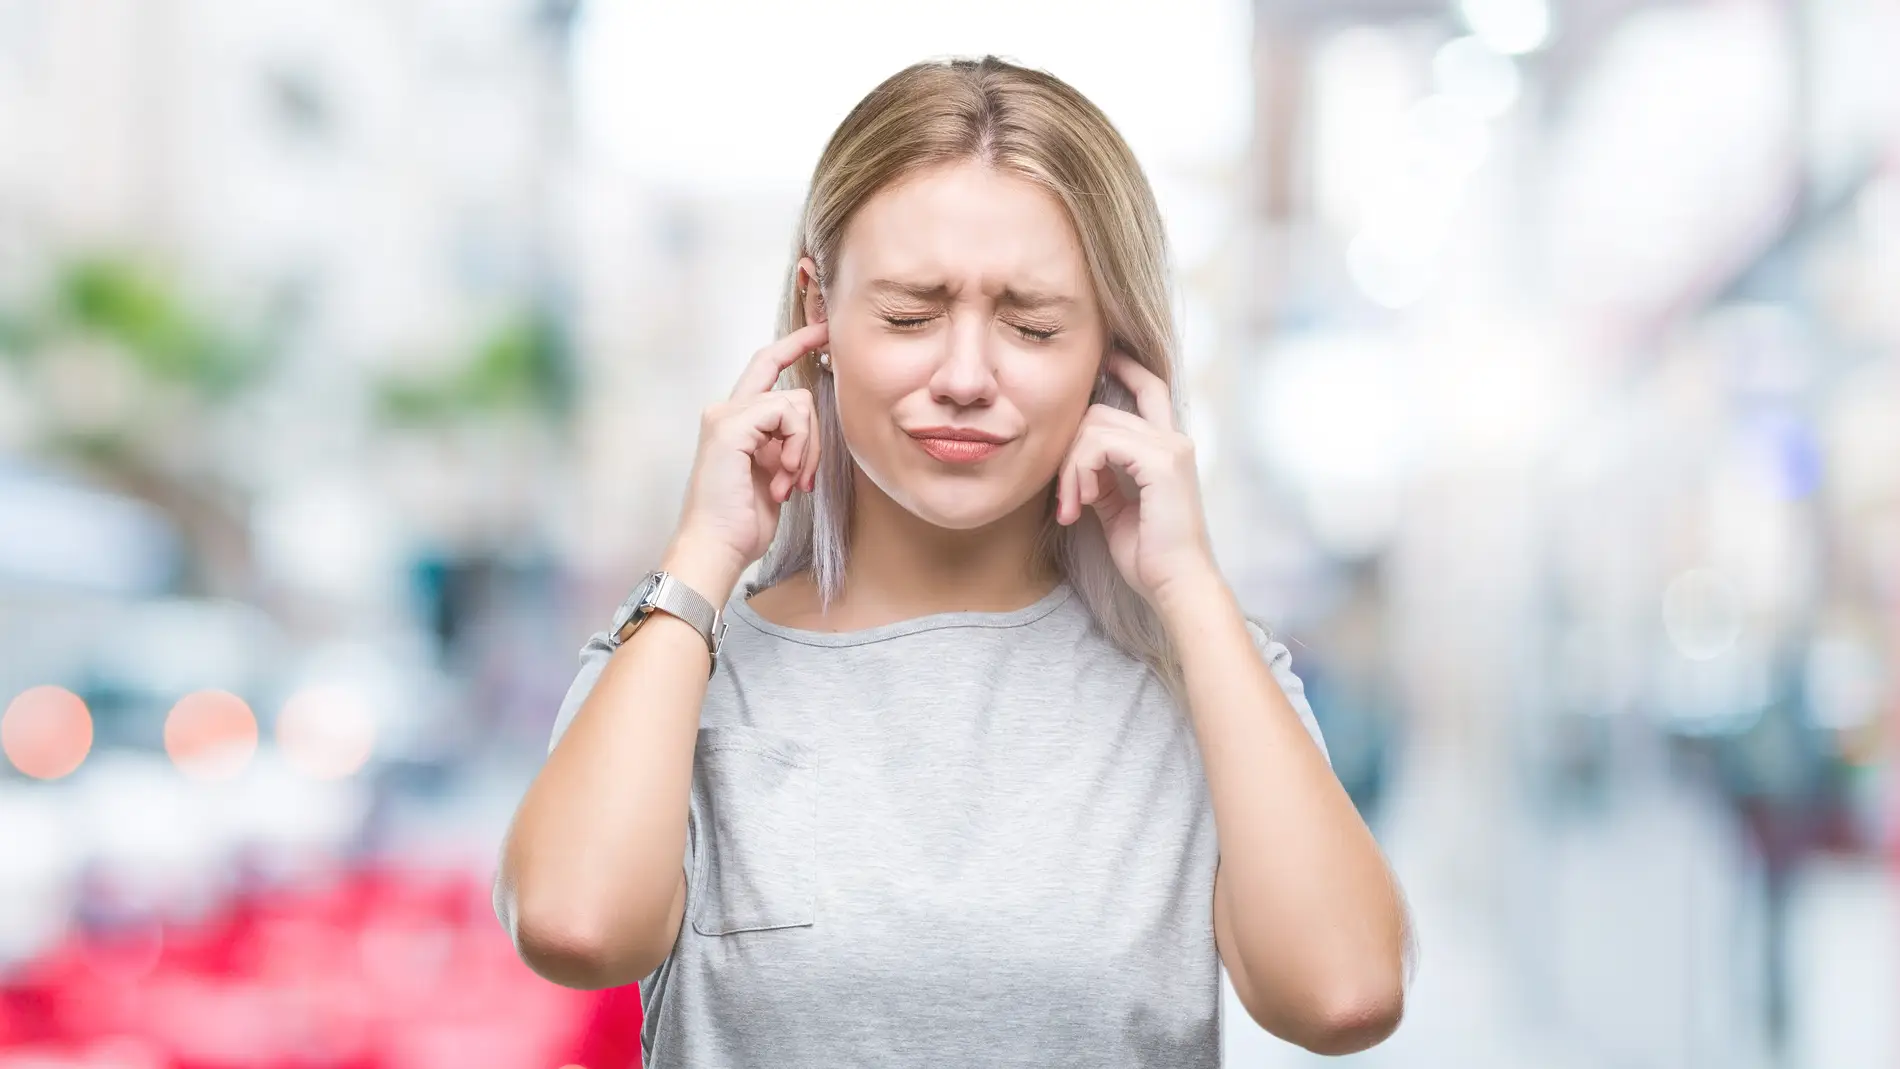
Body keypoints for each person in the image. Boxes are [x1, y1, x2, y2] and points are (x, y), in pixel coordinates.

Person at [494, 55, 1411, 1068]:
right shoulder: (675, 656)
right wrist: (703, 555)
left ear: (1111, 344)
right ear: (819, 315)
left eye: (1031, 324)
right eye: (910, 315)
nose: (966, 377)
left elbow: (1343, 995)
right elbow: (577, 927)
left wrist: (1188, 588)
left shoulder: (1203, 681)